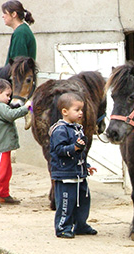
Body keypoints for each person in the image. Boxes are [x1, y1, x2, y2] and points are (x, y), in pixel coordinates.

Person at [49, 93, 98, 239]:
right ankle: (63, 227)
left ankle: (80, 224)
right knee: (66, 201)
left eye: (81, 110)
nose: (81, 113)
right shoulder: (60, 130)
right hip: (65, 174)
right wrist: (74, 148)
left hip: (79, 173)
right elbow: (58, 150)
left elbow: (80, 152)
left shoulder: (78, 128)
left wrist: (86, 165)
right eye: (77, 110)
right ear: (65, 111)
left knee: (83, 200)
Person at [0, 78, 32, 208]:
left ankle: (3, 194)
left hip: (0, 146)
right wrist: (26, 108)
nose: (9, 98)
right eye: (7, 95)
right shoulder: (0, 107)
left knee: (5, 172)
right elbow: (11, 115)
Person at [2, 0, 36, 65]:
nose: (3, 16)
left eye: (5, 13)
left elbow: (18, 63)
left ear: (14, 14)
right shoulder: (22, 30)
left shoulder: (20, 33)